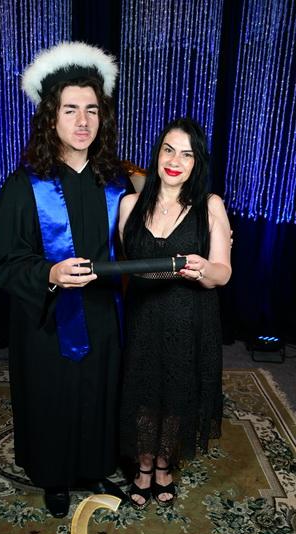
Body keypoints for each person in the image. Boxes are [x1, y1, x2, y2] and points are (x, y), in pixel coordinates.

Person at [0, 42, 132, 518]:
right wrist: (48, 272)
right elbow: (4, 262)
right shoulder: (24, 185)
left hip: (104, 315)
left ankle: (93, 467)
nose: (82, 121)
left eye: (92, 110)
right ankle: (53, 476)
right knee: (52, 395)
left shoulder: (116, 182)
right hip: (46, 320)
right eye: (71, 109)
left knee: (98, 390)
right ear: (51, 117)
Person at [118, 117, 232, 509]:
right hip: (143, 317)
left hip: (190, 317)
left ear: (197, 162)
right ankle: (144, 465)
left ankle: (164, 465)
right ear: (158, 153)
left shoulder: (210, 205)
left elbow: (223, 272)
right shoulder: (129, 204)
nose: (175, 161)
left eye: (187, 154)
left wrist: (204, 269)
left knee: (176, 391)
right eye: (169, 150)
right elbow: (128, 264)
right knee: (144, 390)